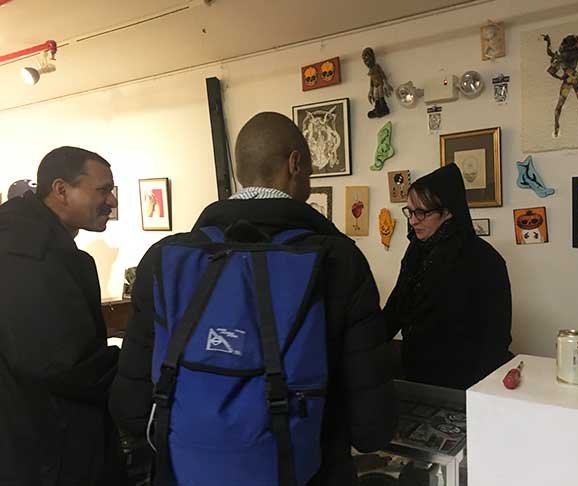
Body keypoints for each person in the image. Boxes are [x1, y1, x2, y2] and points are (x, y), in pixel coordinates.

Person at [110, 112, 397, 485]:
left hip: (185, 474)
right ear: (295, 164)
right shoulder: (338, 260)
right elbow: (372, 427)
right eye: (309, 174)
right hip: (305, 473)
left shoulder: (165, 259)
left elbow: (131, 409)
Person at [0, 146, 124, 485]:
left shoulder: (27, 241)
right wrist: (136, 370)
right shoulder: (29, 254)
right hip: (46, 449)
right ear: (61, 190)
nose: (112, 201)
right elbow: (64, 362)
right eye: (103, 190)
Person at [384, 163, 513, 390]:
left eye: (422, 212)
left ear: (448, 212)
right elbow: (397, 307)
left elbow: (496, 336)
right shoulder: (416, 251)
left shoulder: (483, 260)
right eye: (410, 212)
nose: (413, 220)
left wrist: (480, 393)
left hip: (465, 381)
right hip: (417, 373)